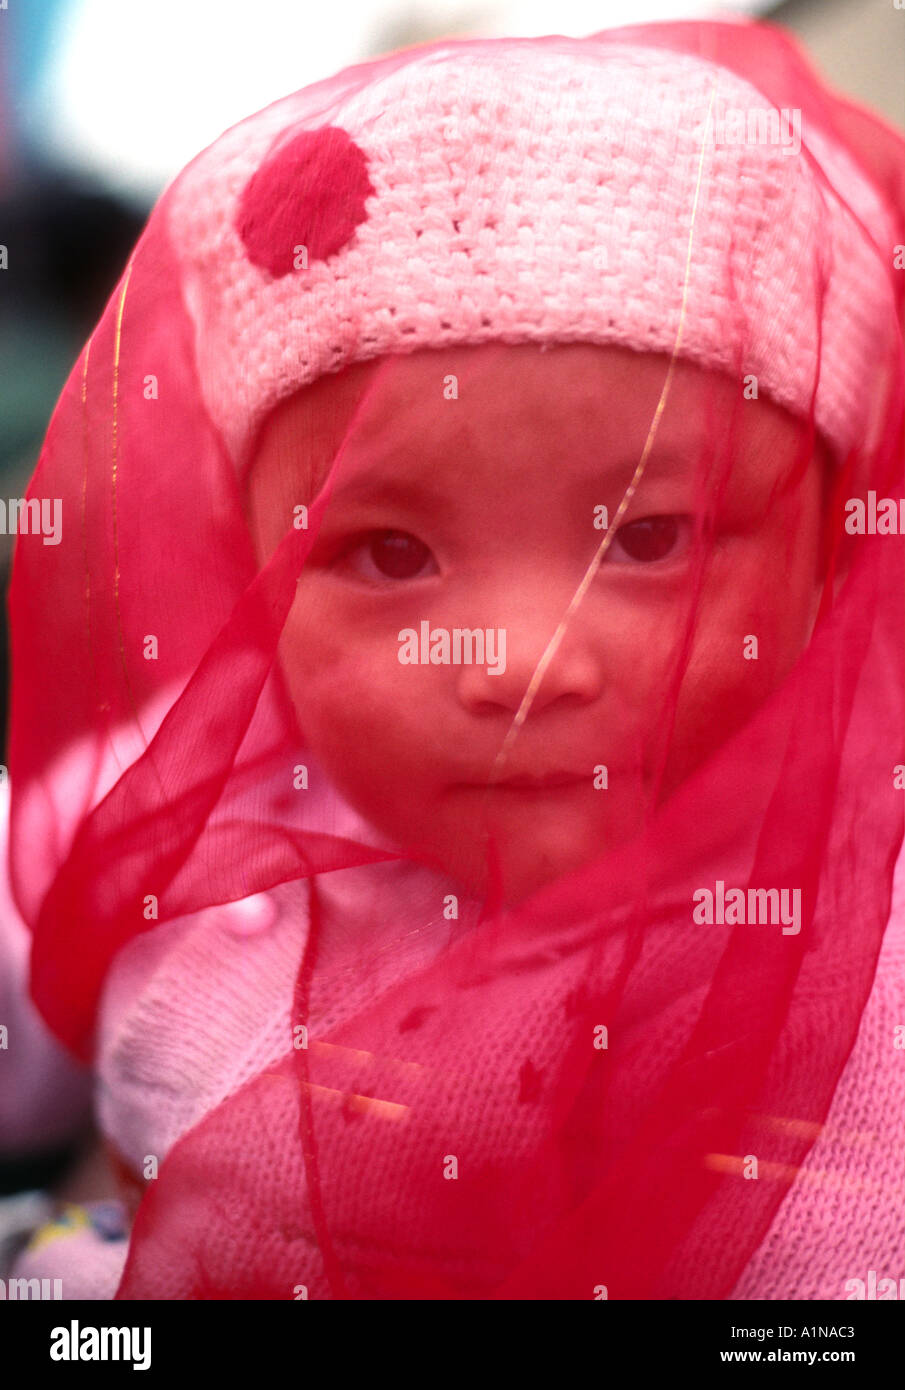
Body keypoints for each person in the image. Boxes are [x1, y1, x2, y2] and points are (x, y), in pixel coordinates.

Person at [3, 20, 903, 1299]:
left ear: (826, 564)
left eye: (649, 537)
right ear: (249, 573)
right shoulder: (171, 816)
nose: (523, 665)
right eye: (387, 555)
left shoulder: (867, 949)